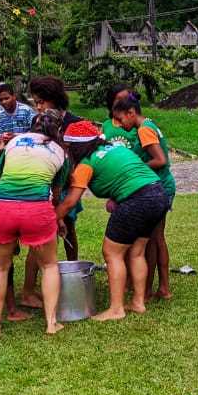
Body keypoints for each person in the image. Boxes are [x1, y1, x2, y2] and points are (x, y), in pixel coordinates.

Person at [55, 121, 169, 321]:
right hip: (158, 194)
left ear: (75, 146)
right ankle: (138, 302)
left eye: (68, 147)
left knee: (112, 253)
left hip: (137, 199)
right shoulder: (114, 148)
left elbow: (70, 201)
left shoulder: (86, 163)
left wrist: (52, 219)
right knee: (136, 252)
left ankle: (116, 309)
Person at [0, 108, 67, 336]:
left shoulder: (14, 142)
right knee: (49, 265)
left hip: (2, 208)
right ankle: (51, 323)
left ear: (33, 125)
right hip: (37, 211)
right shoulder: (61, 152)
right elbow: (56, 193)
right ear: (58, 128)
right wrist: (57, 220)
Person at [18, 76, 82, 308]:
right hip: (44, 190)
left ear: (54, 100)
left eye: (41, 102)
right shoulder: (37, 122)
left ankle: (73, 275)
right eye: (35, 102)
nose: (38, 107)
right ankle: (30, 288)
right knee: (41, 239)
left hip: (67, 187)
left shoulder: (75, 123)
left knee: (69, 231)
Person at [109, 95, 177, 300]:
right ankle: (162, 287)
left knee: (152, 240)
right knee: (156, 238)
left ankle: (149, 289)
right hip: (160, 186)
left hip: (159, 187)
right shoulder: (149, 125)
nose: (120, 125)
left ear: (131, 113)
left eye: (121, 120)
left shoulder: (144, 129)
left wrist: (134, 169)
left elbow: (160, 160)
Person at [0, 83, 36, 147]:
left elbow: (36, 132)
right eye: (0, 100)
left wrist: (16, 136)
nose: (4, 102)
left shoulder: (26, 110)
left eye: (6, 98)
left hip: (28, 149)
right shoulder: (2, 116)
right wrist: (2, 139)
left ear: (14, 96)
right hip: (10, 152)